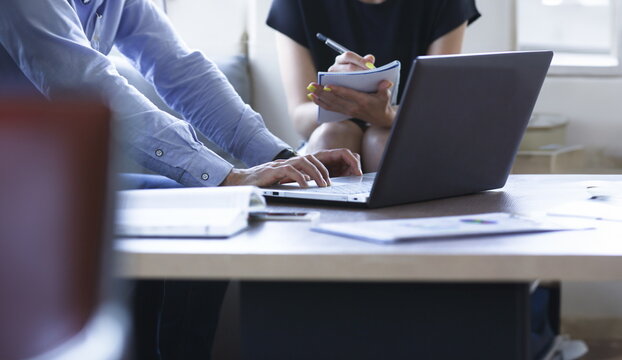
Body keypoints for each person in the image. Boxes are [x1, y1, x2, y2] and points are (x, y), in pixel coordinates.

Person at [0, 1, 362, 359]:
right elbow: (84, 82)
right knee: (209, 205)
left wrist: (283, 160)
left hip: (55, 179)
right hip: (14, 183)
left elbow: (181, 70)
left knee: (213, 212)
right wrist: (226, 177)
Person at [267, 0, 480, 172]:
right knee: (333, 135)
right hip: (326, 133)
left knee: (382, 141)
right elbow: (300, 116)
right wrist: (337, 102)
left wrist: (388, 116)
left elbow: (434, 113)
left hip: (408, 131)